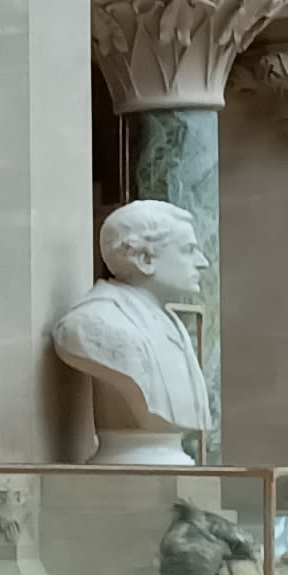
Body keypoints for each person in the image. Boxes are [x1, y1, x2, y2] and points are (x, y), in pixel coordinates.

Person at [49, 200, 213, 467]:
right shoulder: (91, 324)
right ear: (144, 260)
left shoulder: (171, 321)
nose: (203, 262)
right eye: (188, 250)